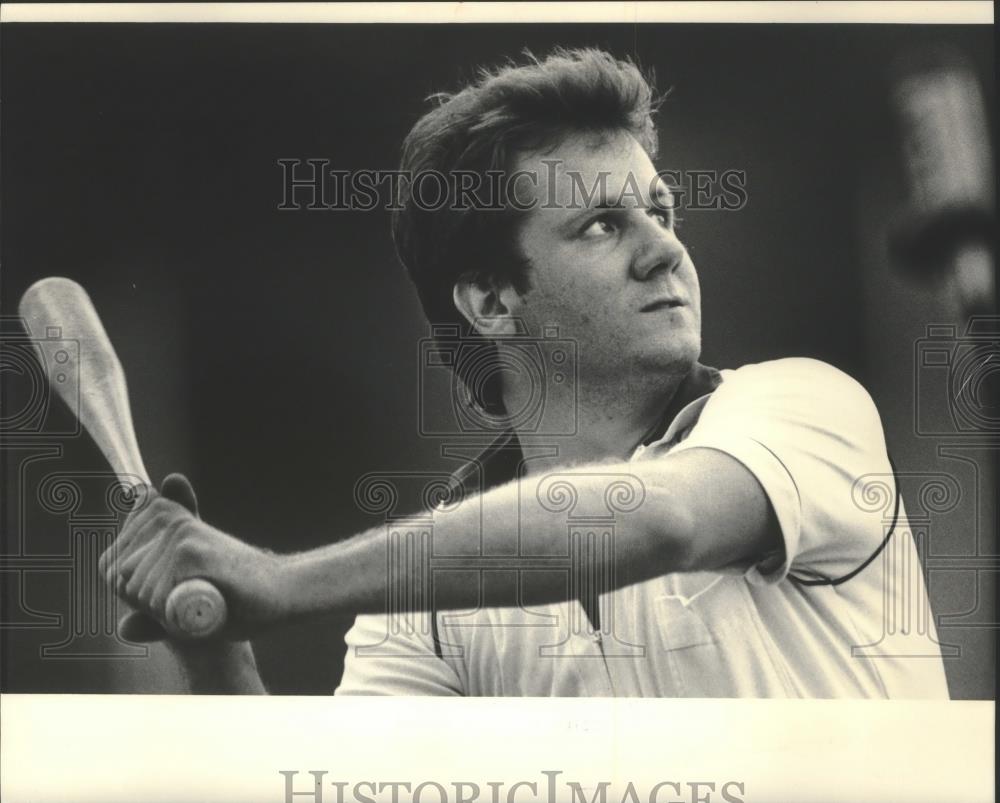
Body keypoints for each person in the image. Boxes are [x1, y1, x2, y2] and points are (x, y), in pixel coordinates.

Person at [100, 48, 949, 698]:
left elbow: (653, 523)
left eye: (660, 210)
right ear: (492, 303)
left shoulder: (806, 408)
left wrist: (278, 583)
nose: (666, 250)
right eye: (601, 226)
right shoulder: (426, 607)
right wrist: (217, 652)